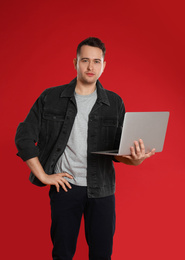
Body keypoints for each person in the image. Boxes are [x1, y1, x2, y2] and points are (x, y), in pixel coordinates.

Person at [15, 37, 155, 260]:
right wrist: (42, 175)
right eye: (85, 60)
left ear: (104, 65)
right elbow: (23, 136)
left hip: (102, 190)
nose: (91, 67)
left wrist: (136, 159)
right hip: (66, 187)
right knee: (62, 253)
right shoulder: (50, 97)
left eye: (97, 61)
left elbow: (118, 154)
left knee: (102, 255)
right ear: (75, 62)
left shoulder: (115, 102)